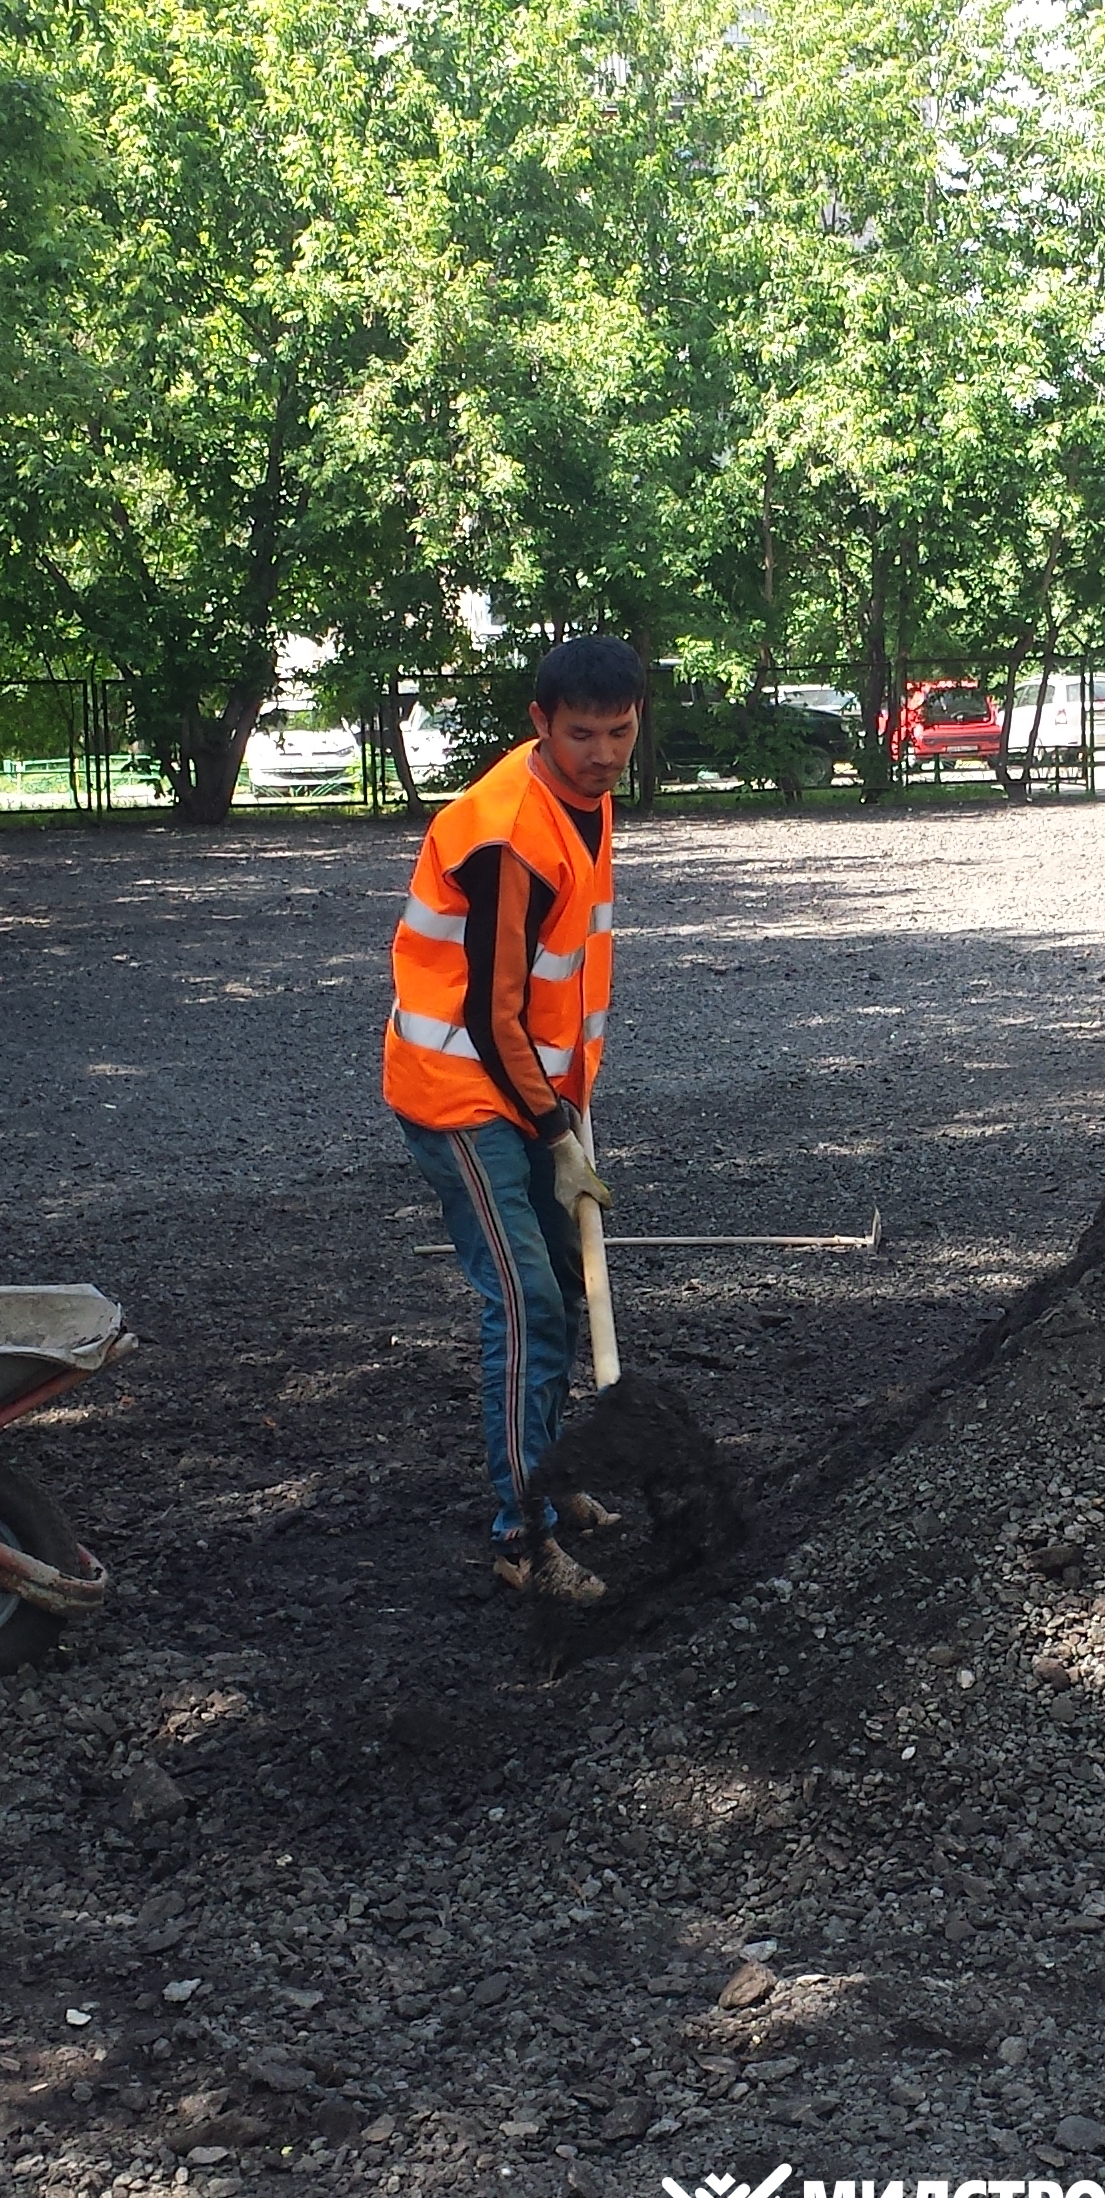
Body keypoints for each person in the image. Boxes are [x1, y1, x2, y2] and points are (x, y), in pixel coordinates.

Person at [383, 639, 641, 1605]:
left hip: (532, 1086)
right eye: (582, 734)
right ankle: (519, 1535)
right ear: (540, 724)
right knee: (526, 1299)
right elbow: (491, 1015)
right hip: (462, 1095)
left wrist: (569, 1104)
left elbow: (557, 979)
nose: (604, 752)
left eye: (620, 731)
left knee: (568, 1288)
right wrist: (556, 1134)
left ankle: (553, 1469)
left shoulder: (590, 798)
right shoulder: (505, 833)